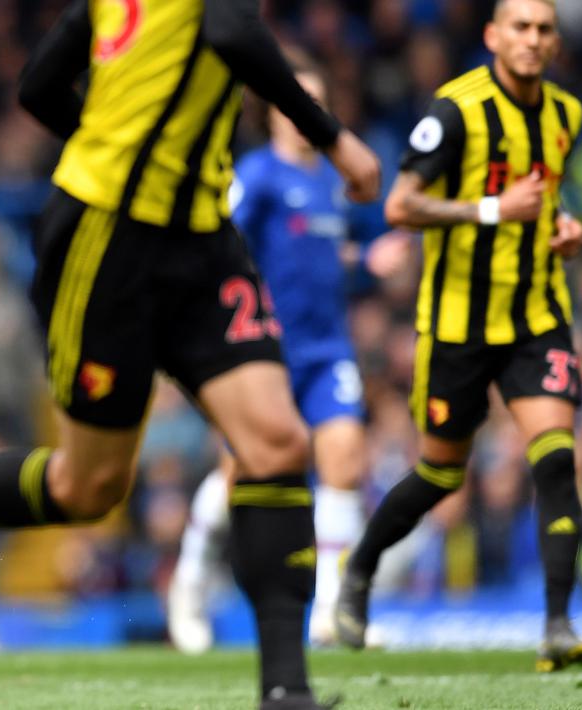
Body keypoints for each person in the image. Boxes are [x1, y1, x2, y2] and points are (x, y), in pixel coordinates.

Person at [0, 2, 380, 708]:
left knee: (275, 441)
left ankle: (285, 689)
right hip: (108, 241)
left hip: (201, 238)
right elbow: (225, 30)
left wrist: (119, 144)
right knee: (86, 487)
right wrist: (335, 140)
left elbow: (40, 89)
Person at [333, 0, 582, 674]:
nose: (532, 39)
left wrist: (563, 228)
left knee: (556, 460)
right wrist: (490, 210)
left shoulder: (565, 115)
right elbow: (399, 205)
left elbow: (545, 197)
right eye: (519, 27)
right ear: (492, 37)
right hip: (458, 326)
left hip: (536, 316)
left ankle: (557, 626)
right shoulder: (456, 111)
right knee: (440, 474)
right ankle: (359, 568)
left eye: (543, 29)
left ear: (554, 42)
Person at [168, 59, 408, 653]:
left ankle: (330, 611)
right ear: (273, 110)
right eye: (296, 102)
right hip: (264, 353)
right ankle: (189, 583)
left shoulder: (328, 181)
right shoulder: (257, 176)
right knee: (239, 472)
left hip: (327, 351)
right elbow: (219, 238)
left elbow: (316, 251)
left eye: (317, 103)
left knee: (344, 458)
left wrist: (365, 260)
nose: (306, 114)